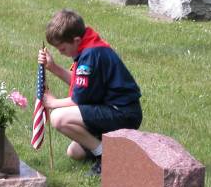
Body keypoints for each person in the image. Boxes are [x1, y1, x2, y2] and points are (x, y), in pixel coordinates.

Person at [38, 9, 142, 176]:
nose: (60, 52)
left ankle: (106, 158)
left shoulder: (91, 55)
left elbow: (78, 100)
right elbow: (82, 84)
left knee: (58, 118)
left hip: (123, 114)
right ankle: (117, 150)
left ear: (76, 40)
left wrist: (52, 103)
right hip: (111, 110)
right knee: (75, 152)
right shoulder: (88, 47)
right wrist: (54, 68)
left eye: (62, 48)